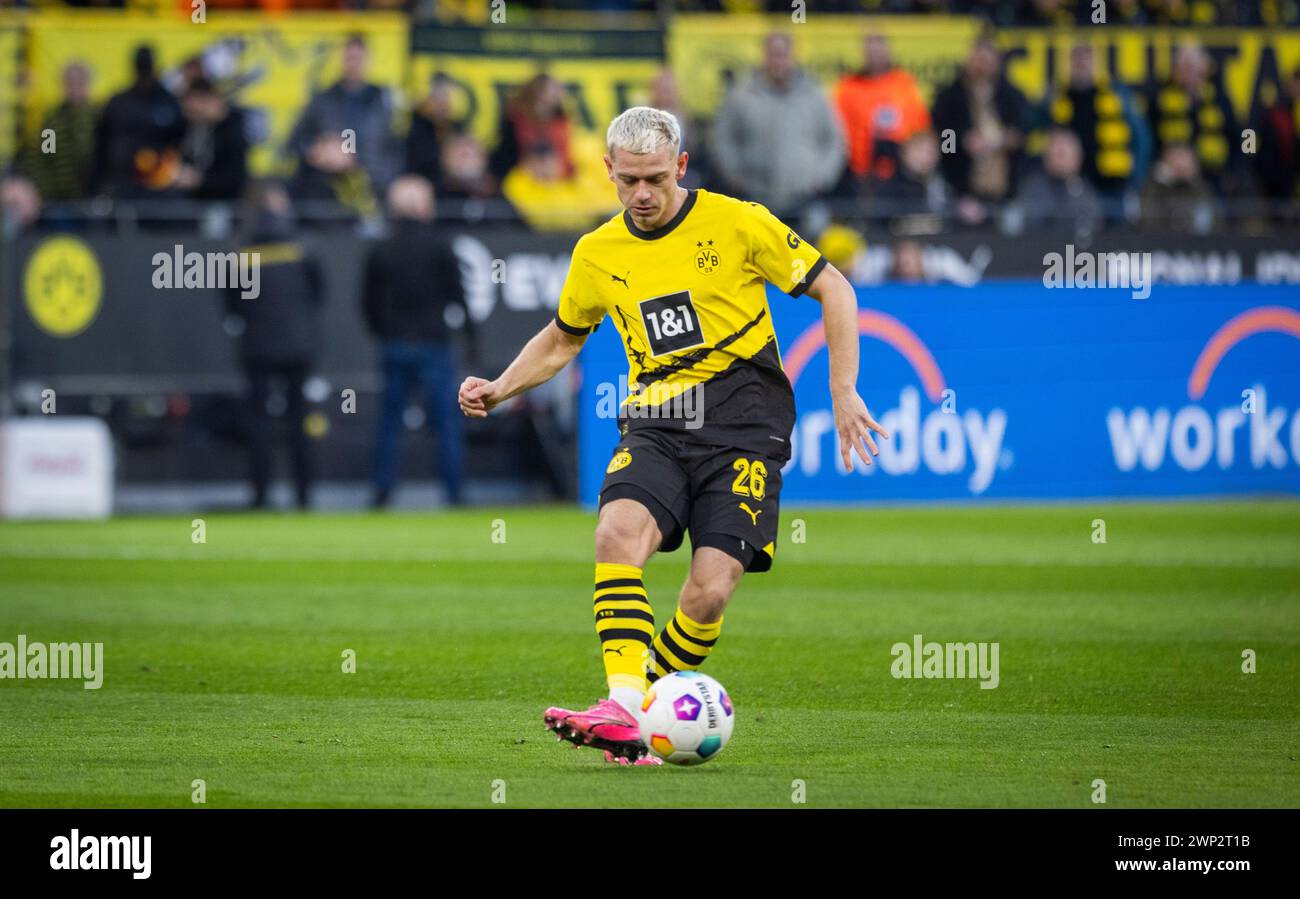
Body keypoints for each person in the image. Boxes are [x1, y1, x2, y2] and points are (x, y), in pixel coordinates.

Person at [458, 107, 888, 765]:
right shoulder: (597, 253)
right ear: (607, 171)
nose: (642, 194)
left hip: (747, 424)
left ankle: (642, 704)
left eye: (655, 178)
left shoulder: (739, 222)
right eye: (628, 181)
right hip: (659, 418)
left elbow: (835, 288)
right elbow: (561, 338)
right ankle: (626, 707)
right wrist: (501, 385)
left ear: (681, 166)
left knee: (709, 591)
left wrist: (843, 388)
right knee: (614, 533)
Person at [364, 175, 474, 508]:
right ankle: (454, 492)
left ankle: (382, 490)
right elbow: (459, 295)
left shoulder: (381, 248)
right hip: (434, 343)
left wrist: (384, 333)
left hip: (396, 343)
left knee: (389, 422)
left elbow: (366, 302)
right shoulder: (440, 244)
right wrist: (470, 337)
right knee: (446, 420)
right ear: (425, 206)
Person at [226, 182, 323, 510]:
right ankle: (304, 495)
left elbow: (232, 303)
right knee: (298, 420)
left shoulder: (240, 250)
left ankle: (260, 494)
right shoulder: (303, 245)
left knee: (259, 422)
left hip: (257, 346)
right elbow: (317, 292)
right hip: (298, 345)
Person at [709, 32, 845, 216]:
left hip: (805, 199)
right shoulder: (742, 95)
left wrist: (822, 178)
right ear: (764, 56)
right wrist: (734, 175)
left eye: (783, 55)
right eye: (773, 54)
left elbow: (834, 140)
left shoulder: (814, 95)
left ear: (792, 56)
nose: (778, 61)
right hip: (754, 198)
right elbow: (723, 138)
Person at [929, 36, 1028, 227]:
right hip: (962, 194)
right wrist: (963, 142)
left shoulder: (1012, 96)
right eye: (979, 60)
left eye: (988, 60)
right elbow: (942, 140)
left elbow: (1026, 135)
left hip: (1006, 193)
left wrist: (1009, 139)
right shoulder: (949, 97)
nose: (983, 67)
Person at [89, 45, 186, 198]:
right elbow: (101, 145)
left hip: (162, 184)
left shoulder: (170, 103)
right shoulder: (119, 102)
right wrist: (96, 185)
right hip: (122, 183)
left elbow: (182, 142)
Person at [834, 34, 931, 184]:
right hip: (858, 174)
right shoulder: (848, 88)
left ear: (888, 51)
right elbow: (836, 130)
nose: (875, 56)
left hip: (902, 173)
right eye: (871, 51)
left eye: (879, 50)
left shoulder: (905, 84)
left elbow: (920, 129)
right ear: (863, 54)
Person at [19, 62, 96, 202]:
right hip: (60, 197)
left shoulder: (98, 117)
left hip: (92, 195)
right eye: (70, 83)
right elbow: (45, 155)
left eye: (79, 82)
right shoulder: (53, 121)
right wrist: (47, 190)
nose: (74, 88)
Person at [1013, 128, 1103, 234]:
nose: (1061, 160)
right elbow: (1030, 222)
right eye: (1058, 154)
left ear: (1078, 158)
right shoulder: (1033, 187)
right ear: (1046, 156)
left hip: (1076, 249)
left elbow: (1094, 227)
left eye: (1064, 154)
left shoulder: (1085, 192)